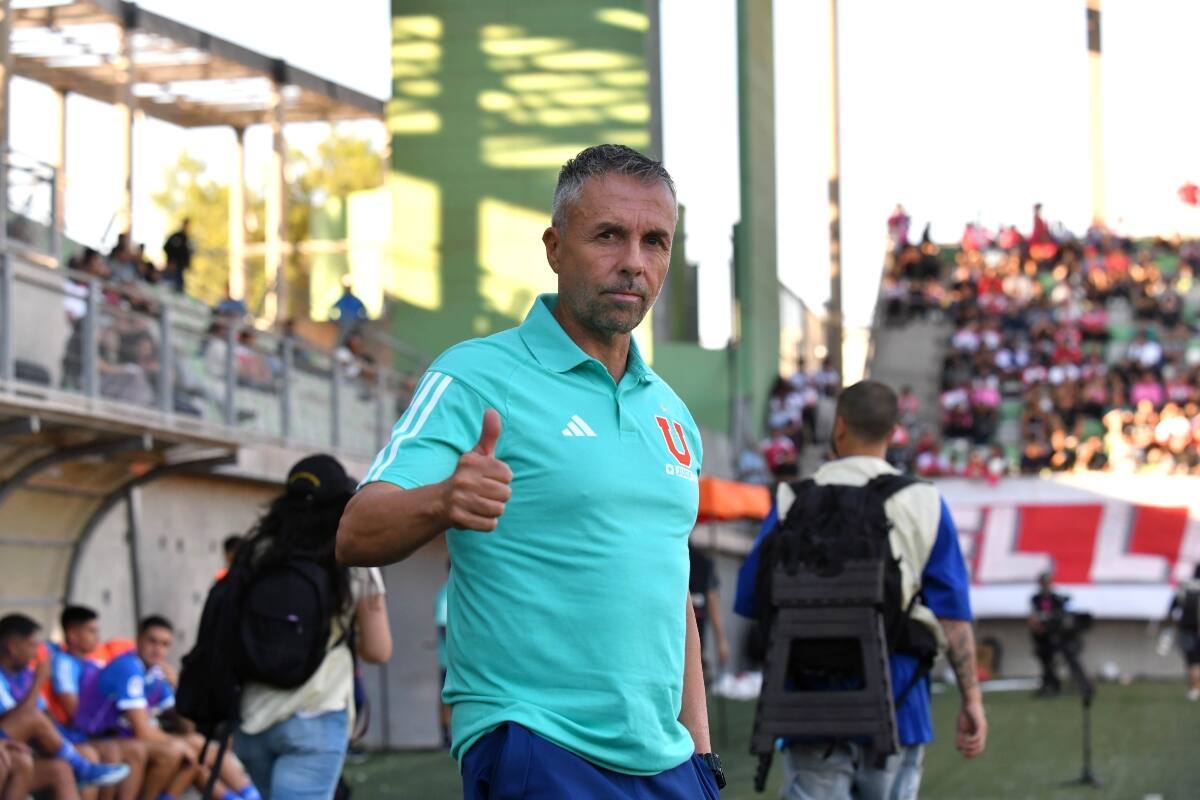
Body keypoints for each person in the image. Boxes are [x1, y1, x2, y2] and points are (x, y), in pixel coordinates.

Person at [338, 144, 725, 798]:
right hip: (538, 742)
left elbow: (670, 588)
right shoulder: (474, 375)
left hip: (668, 761)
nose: (633, 261)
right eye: (608, 236)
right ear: (553, 247)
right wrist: (442, 501)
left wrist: (703, 755)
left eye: (654, 241)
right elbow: (355, 531)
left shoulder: (672, 414)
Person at [734, 381, 986, 800]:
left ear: (839, 428)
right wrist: (972, 699)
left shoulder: (788, 500)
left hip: (808, 705)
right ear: (893, 433)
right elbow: (953, 616)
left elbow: (751, 600)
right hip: (898, 702)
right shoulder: (924, 501)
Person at [233, 455, 392, 799]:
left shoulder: (257, 552)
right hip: (315, 717)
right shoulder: (353, 557)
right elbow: (378, 650)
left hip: (251, 719)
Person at [0, 614, 132, 794]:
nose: (37, 652)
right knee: (33, 733)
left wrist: (56, 737)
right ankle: (82, 768)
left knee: (61, 769)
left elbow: (43, 714)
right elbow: (24, 717)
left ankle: (81, 766)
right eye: (32, 645)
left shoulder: (24, 675)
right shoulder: (51, 667)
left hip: (25, 744)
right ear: (13, 648)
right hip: (12, 739)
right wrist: (39, 681)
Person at [47, 606, 147, 800]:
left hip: (100, 732)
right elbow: (77, 713)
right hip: (76, 733)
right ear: (73, 634)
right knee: (108, 752)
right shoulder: (64, 664)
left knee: (133, 750)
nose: (98, 637)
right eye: (92, 631)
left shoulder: (95, 662)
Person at [688, 545, 730, 674]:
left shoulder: (702, 564)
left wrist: (721, 640)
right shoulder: (703, 563)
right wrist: (721, 640)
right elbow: (713, 602)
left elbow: (712, 602)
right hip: (694, 640)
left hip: (694, 638)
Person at [1028, 572, 1071, 697]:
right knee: (1044, 661)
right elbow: (1033, 616)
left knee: (1053, 661)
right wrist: (1036, 626)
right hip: (1040, 636)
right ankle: (1047, 685)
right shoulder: (1036, 599)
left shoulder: (1056, 599)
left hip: (1053, 635)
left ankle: (1055, 685)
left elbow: (1060, 616)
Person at [1163, 564, 1200, 701]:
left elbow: (1173, 607)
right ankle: (1196, 689)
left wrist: (1170, 622)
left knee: (1192, 661)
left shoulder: (1184, 586)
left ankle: (1194, 689)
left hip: (1187, 628)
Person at [331, 279, 368, 343]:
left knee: (347, 337)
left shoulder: (353, 300)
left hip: (352, 323)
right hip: (346, 322)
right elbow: (333, 309)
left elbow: (364, 311)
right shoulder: (343, 299)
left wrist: (362, 320)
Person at [162, 220, 192, 294]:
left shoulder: (187, 239)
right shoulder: (176, 236)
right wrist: (172, 260)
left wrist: (187, 264)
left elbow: (186, 254)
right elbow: (167, 247)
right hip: (172, 267)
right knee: (166, 286)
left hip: (180, 269)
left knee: (178, 289)